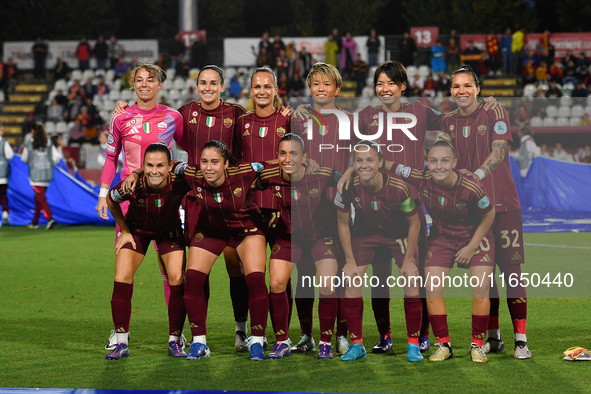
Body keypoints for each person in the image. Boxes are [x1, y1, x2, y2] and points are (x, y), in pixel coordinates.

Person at [441, 65, 532, 360]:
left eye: (467, 85)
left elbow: (499, 152)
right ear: (450, 91)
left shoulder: (495, 111)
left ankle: (521, 340)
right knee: (485, 275)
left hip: (503, 204)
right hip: (471, 211)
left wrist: (476, 175)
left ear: (478, 89)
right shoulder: (447, 122)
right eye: (456, 86)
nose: (462, 91)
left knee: (512, 272)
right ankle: (493, 336)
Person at [97, 62, 183, 349]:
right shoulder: (121, 118)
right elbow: (111, 159)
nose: (144, 84)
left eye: (150, 79)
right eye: (139, 80)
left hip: (166, 204)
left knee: (169, 272)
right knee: (124, 268)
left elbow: (189, 148)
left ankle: (176, 331)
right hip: (129, 204)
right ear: (133, 84)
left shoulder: (173, 117)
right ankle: (120, 331)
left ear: (160, 84)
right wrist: (101, 195)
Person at [392, 133, 496, 363]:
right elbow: (388, 165)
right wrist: (349, 171)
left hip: (475, 238)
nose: (439, 166)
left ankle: (477, 345)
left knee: (480, 289)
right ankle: (444, 344)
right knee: (432, 290)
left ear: (455, 162)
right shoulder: (422, 177)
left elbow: (489, 214)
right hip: (441, 238)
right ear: (427, 162)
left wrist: (471, 247)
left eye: (445, 160)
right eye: (434, 160)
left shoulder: (471, 186)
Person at [172, 141, 270, 360]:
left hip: (247, 228)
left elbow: (273, 166)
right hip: (212, 230)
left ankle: (256, 341)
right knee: (194, 278)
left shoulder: (244, 172)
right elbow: (170, 165)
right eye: (204, 161)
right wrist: (135, 174)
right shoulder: (192, 174)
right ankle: (199, 343)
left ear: (226, 164)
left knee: (255, 279)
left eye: (215, 162)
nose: (208, 167)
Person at [336, 141, 423, 362]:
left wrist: (410, 260)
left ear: (381, 162)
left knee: (411, 280)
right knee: (352, 280)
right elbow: (343, 223)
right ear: (354, 164)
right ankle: (357, 345)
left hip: (398, 234)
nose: (364, 165)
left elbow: (414, 223)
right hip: (366, 235)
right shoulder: (348, 186)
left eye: (370, 160)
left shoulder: (398, 187)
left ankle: (413, 345)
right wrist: (348, 261)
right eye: (359, 161)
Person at [105, 142, 190, 360]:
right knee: (122, 276)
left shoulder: (180, 178)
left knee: (177, 277)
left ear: (170, 166)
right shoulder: (131, 185)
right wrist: (124, 230)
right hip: (137, 232)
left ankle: (175, 340)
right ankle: (121, 342)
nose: (154, 171)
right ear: (143, 166)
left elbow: (201, 173)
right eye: (149, 165)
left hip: (169, 232)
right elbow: (111, 200)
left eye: (160, 165)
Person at [261, 133, 341, 359]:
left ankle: (325, 341)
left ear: (305, 157)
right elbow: (246, 181)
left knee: (327, 284)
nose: (287, 159)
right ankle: (282, 340)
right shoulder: (270, 176)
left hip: (320, 237)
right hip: (288, 237)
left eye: (294, 153)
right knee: (276, 282)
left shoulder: (322, 174)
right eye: (282, 153)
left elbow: (351, 178)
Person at [21, 122, 61, 230]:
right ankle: (35, 222)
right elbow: (57, 157)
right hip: (46, 173)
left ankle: (50, 218)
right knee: (38, 198)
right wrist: (49, 163)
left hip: (35, 174)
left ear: (33, 131)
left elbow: (24, 158)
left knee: (41, 198)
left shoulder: (30, 143)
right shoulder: (48, 143)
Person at [0, 124, 14, 226]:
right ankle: (5, 211)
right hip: (2, 173)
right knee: (3, 195)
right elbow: (10, 155)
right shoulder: (4, 143)